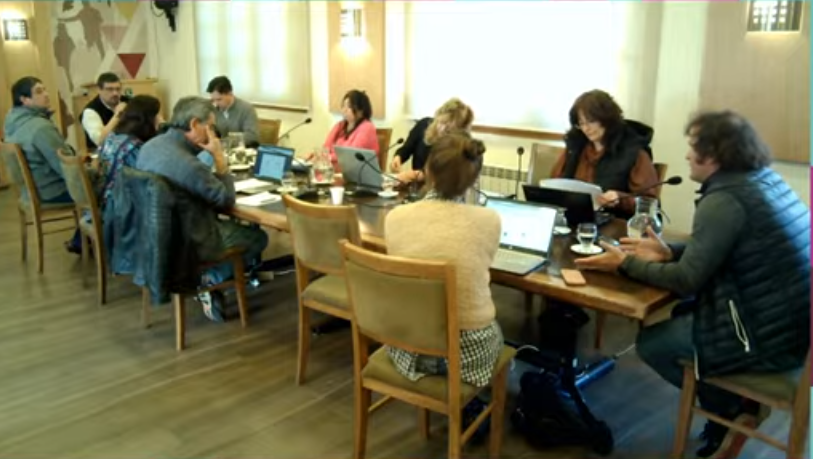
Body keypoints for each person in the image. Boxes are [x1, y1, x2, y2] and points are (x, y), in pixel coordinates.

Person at [575, 111, 810, 459]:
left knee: (653, 344)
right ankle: (733, 404)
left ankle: (728, 413)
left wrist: (625, 263)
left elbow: (686, 281)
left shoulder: (724, 200)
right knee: (680, 317)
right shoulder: (763, 181)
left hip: (763, 337)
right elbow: (727, 246)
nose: (686, 155)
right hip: (790, 326)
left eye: (692, 147)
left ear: (714, 155)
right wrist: (669, 251)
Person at [385, 133, 503, 388]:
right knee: (499, 331)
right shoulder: (489, 221)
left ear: (427, 170)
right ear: (475, 179)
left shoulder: (395, 217)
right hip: (467, 358)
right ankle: (476, 401)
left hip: (407, 348)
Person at [136, 96, 268, 322]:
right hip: (189, 239)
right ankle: (208, 279)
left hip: (154, 234)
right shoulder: (187, 164)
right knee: (258, 237)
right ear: (195, 124)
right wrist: (219, 158)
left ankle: (207, 276)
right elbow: (225, 199)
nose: (213, 133)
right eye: (210, 126)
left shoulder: (151, 146)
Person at [550, 89, 659, 219]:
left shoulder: (633, 151)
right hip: (574, 217)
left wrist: (620, 198)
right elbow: (555, 184)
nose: (586, 128)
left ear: (607, 119)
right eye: (581, 123)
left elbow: (649, 203)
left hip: (614, 221)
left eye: (591, 121)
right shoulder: (576, 146)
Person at [4, 76, 81, 253]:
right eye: (39, 91)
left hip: (30, 190)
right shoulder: (41, 127)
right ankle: (88, 241)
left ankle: (83, 240)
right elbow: (67, 169)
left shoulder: (12, 121)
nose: (46, 94)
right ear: (25, 100)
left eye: (45, 89)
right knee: (107, 191)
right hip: (50, 191)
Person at [96, 95, 163, 212]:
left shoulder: (112, 137)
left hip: (105, 200)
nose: (161, 118)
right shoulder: (134, 147)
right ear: (148, 119)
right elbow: (147, 181)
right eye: (158, 115)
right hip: (120, 209)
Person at [390, 98, 474, 183]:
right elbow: (407, 148)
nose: (442, 129)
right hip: (416, 186)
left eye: (448, 127)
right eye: (441, 122)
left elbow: (450, 176)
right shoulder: (423, 125)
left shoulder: (462, 146)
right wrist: (398, 157)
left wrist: (420, 176)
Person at [321, 89, 378, 166]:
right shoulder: (340, 125)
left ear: (361, 110)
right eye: (343, 106)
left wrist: (328, 157)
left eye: (349, 106)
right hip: (335, 169)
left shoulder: (367, 127)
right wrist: (317, 156)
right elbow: (325, 149)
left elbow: (351, 155)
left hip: (356, 171)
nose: (344, 109)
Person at [206, 76, 260, 148]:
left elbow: (252, 136)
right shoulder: (215, 110)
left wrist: (225, 142)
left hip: (244, 150)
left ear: (230, 93)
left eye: (219, 99)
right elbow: (214, 133)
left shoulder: (247, 109)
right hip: (222, 150)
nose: (216, 103)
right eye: (213, 100)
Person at [80, 72, 127, 151]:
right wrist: (118, 115)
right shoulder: (90, 111)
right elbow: (100, 141)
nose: (115, 93)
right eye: (110, 89)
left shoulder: (128, 102)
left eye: (118, 89)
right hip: (102, 155)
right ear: (99, 90)